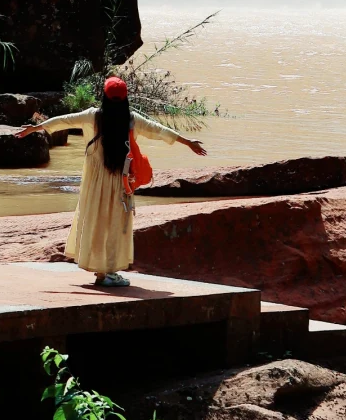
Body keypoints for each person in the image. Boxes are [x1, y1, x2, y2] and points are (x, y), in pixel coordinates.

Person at [15, 75, 206, 287]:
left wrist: (34, 128)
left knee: (95, 221)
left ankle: (100, 272)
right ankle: (111, 272)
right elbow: (158, 130)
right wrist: (187, 142)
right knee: (117, 225)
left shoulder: (93, 116)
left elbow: (64, 121)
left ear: (104, 96)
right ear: (125, 98)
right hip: (120, 181)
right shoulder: (131, 119)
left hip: (94, 183)